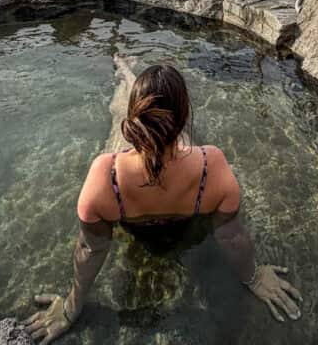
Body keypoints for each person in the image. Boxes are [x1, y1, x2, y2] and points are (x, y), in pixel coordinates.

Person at [22, 62, 303, 343]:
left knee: (118, 109)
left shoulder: (104, 176)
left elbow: (90, 249)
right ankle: (125, 69)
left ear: (134, 122)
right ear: (185, 117)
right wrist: (253, 277)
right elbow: (231, 236)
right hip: (188, 193)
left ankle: (123, 69)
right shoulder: (212, 166)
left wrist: (71, 308)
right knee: (167, 128)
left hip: (124, 189)